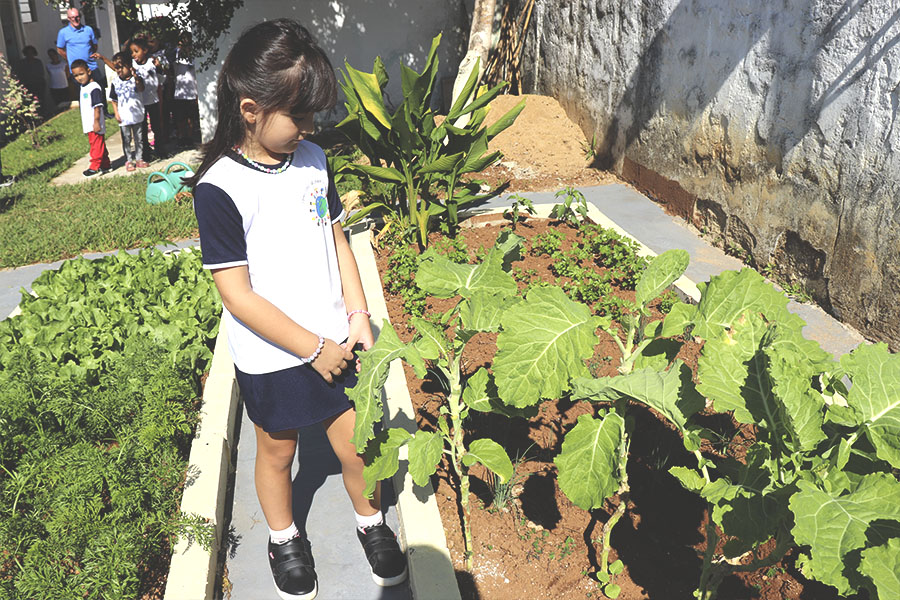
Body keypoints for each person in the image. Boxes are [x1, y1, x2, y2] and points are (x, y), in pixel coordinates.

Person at [188, 19, 407, 600]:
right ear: (251, 109)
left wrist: (357, 315)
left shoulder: (313, 161)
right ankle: (283, 537)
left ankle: (371, 522)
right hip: (277, 354)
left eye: (314, 115)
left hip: (338, 341)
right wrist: (311, 348)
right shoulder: (220, 188)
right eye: (300, 116)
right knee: (278, 452)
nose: (311, 128)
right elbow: (237, 294)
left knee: (357, 442)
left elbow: (338, 241)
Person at [102, 51, 147, 171]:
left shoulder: (136, 79)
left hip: (137, 114)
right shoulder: (116, 82)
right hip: (124, 116)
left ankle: (139, 158)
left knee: (139, 138)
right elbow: (114, 99)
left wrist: (136, 78)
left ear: (129, 66)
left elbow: (141, 88)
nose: (118, 71)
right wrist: (116, 113)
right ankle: (129, 160)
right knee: (126, 139)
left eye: (121, 67)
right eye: (116, 68)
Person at [71, 59, 110, 177]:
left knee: (96, 145)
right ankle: (105, 165)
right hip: (89, 123)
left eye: (81, 74)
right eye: (76, 75)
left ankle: (94, 166)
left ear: (89, 71)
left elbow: (97, 107)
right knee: (98, 144)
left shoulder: (94, 88)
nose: (79, 78)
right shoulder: (83, 87)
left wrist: (96, 122)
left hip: (95, 123)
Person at [128, 36, 164, 159]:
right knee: (141, 129)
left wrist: (159, 67)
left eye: (136, 51)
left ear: (145, 51)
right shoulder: (132, 65)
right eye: (131, 52)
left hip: (153, 99)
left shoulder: (152, 62)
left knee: (156, 127)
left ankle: (160, 150)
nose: (133, 54)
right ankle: (146, 153)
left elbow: (161, 77)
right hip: (139, 102)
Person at [56, 8, 107, 91]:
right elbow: (60, 49)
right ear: (68, 18)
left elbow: (94, 45)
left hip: (91, 67)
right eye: (72, 17)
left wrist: (90, 55)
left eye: (77, 16)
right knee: (83, 94)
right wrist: (69, 58)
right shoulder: (63, 32)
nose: (75, 19)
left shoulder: (88, 30)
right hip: (77, 70)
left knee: (99, 90)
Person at [172, 33, 199, 148]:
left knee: (191, 118)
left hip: (192, 92)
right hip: (179, 93)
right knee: (180, 118)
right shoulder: (175, 55)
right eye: (182, 43)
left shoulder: (195, 57)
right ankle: (182, 137)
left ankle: (190, 137)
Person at [15, 46, 47, 114]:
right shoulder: (22, 63)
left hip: (39, 85)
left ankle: (42, 114)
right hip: (28, 86)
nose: (30, 54)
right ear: (25, 54)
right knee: (30, 102)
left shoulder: (38, 62)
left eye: (31, 53)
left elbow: (41, 73)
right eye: (28, 53)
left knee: (40, 101)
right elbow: (20, 74)